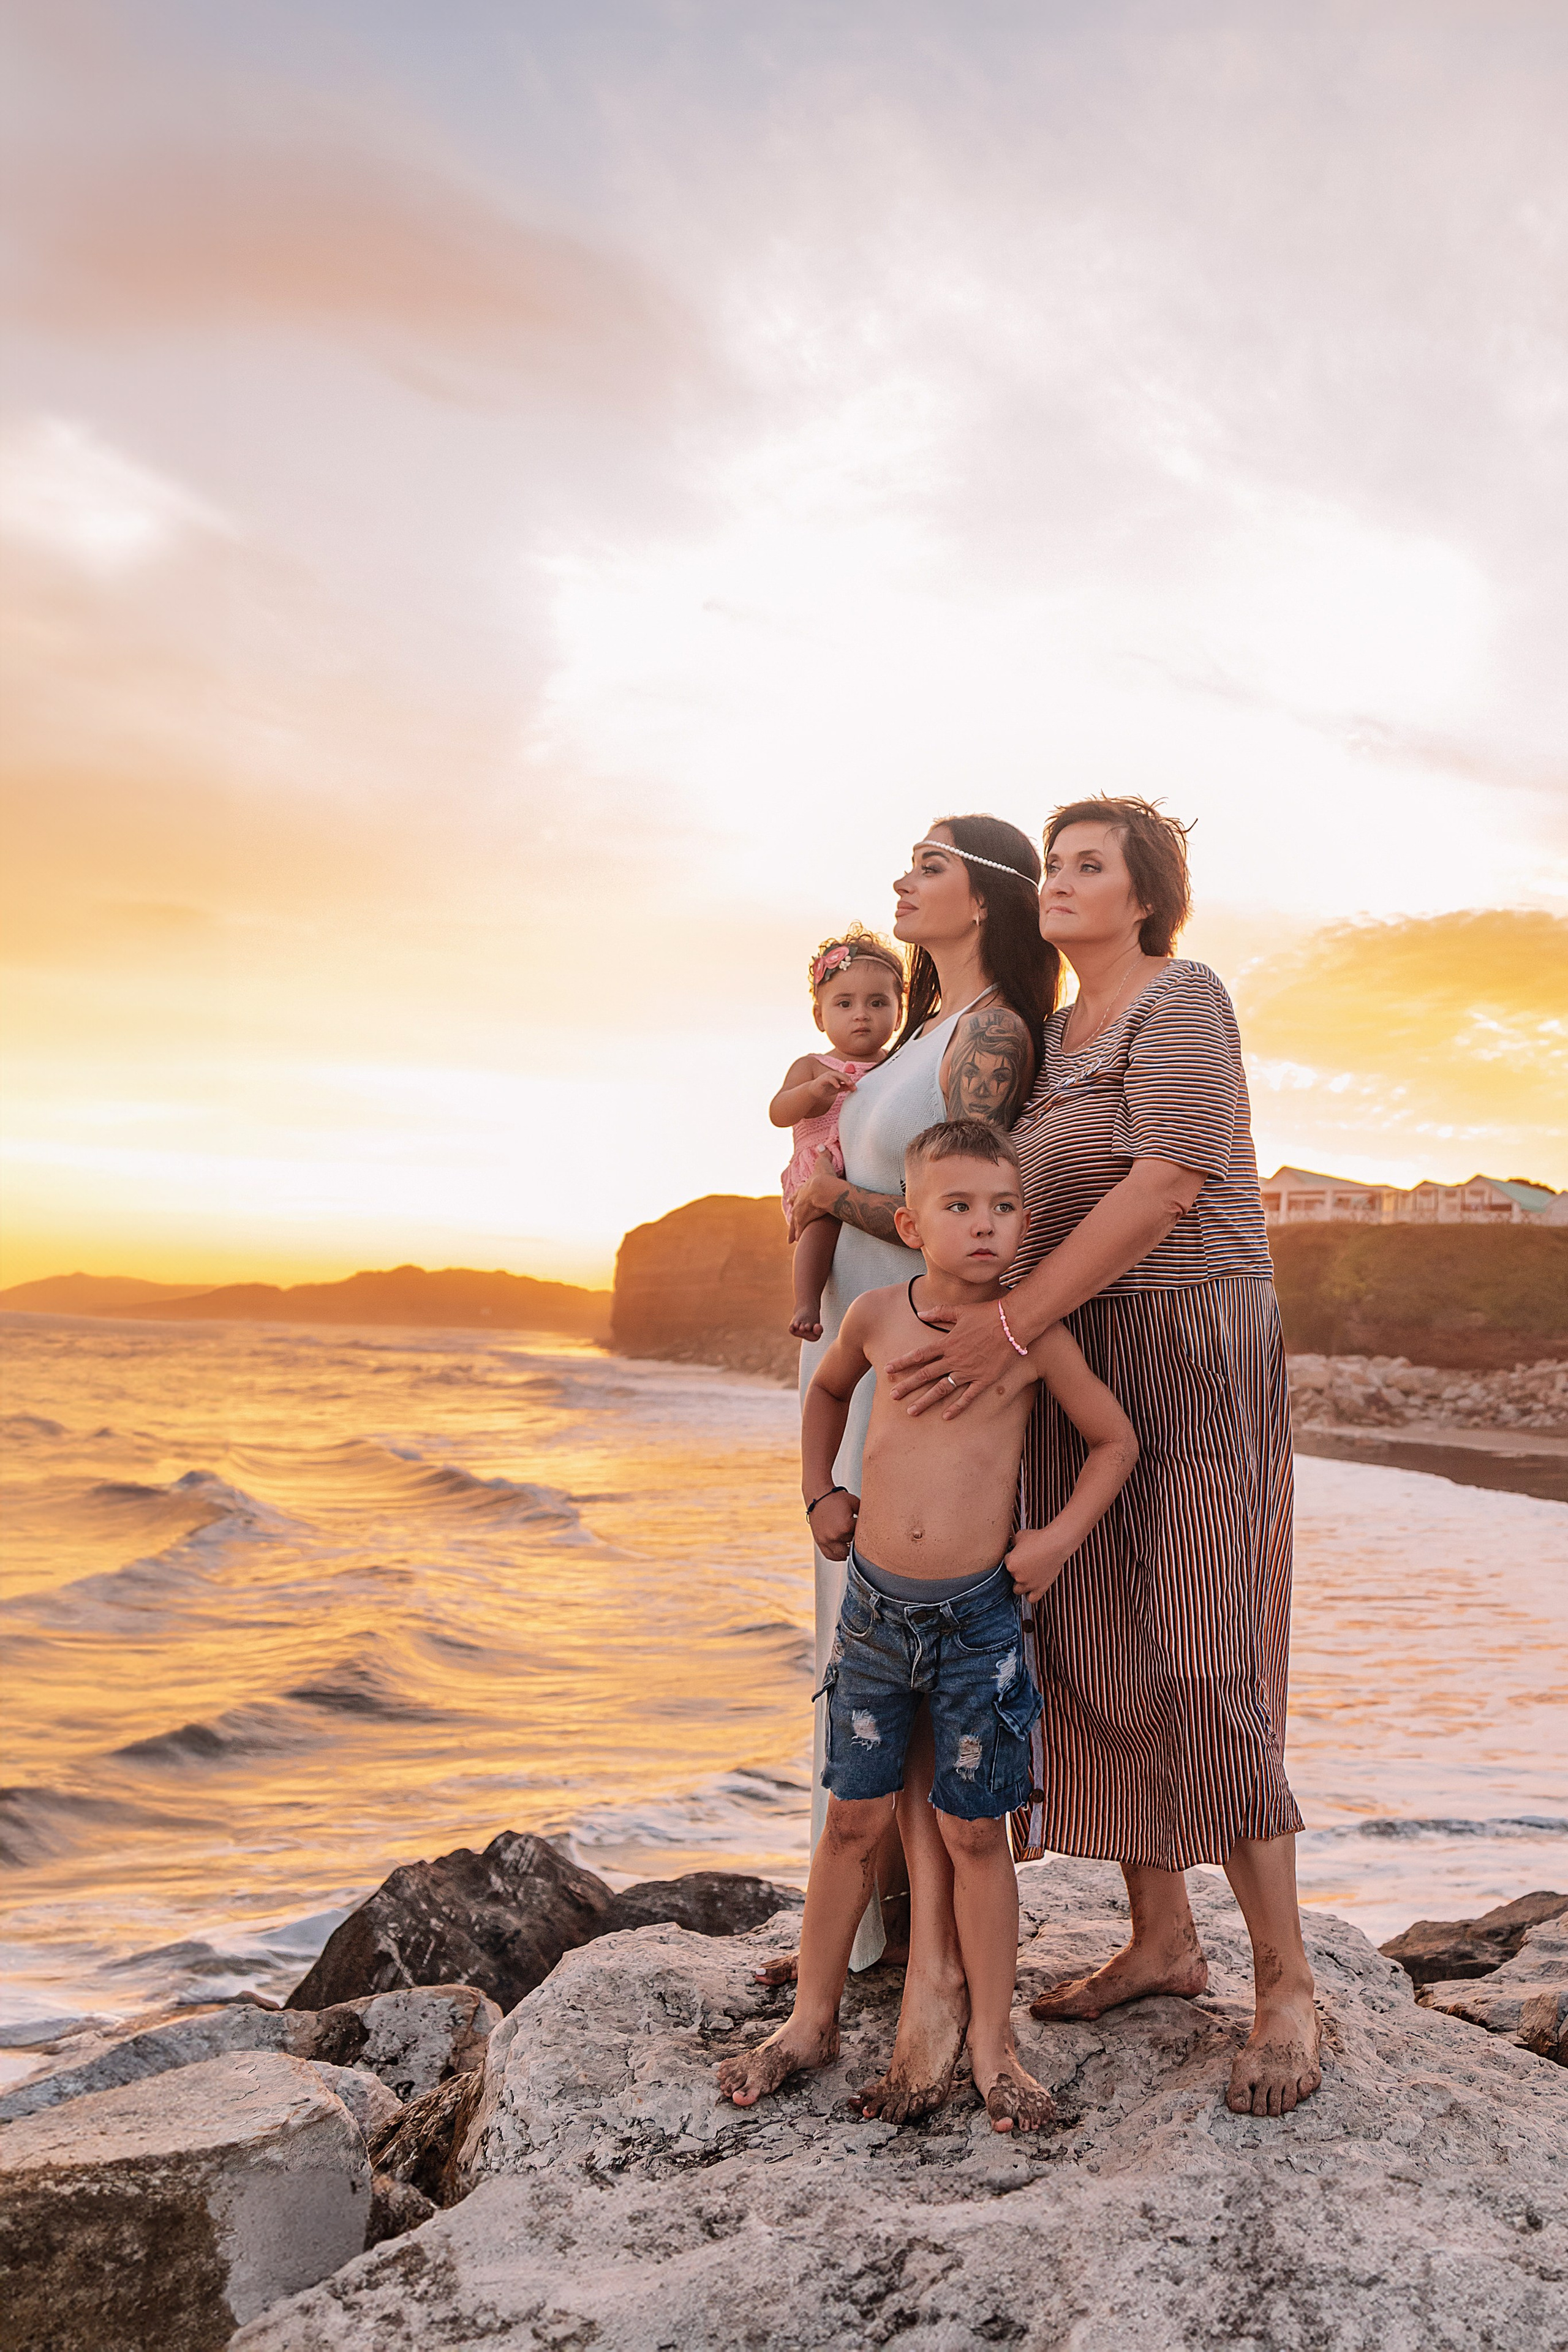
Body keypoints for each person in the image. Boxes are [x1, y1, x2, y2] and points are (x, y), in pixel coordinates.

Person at [884, 794, 1321, 2120]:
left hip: (1184, 1345)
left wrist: (1010, 1324)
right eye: (1055, 864)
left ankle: (1287, 1984)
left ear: (1141, 898)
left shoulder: (1176, 999)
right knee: (1089, 1651)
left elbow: (1163, 1185)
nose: (1063, 882)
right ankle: (1159, 1940)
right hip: (1068, 1361)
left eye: (1089, 866)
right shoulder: (1051, 1038)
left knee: (1202, 1652)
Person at [718, 1120, 1136, 2130]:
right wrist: (819, 1494)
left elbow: (1114, 1441)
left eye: (1002, 1209)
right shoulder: (874, 1315)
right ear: (910, 1222)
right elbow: (823, 1393)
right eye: (959, 1207)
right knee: (853, 1822)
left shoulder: (1032, 1336)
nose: (984, 1226)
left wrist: (1055, 1542)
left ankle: (994, 2046)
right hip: (873, 1617)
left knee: (972, 1835)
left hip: (977, 1627)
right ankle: (810, 2019)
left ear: (1025, 1225)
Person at [782, 815, 1055, 1997]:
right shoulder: (921, 1031)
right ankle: (867, 1936)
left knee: (900, 1645)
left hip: (923, 1371)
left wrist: (831, 1197)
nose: (903, 878)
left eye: (930, 864)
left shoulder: (990, 1031)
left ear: (986, 897)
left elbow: (964, 1208)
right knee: (859, 1647)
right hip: (859, 1348)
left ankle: (918, 1955)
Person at [770, 929, 905, 1342]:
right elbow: (778, 1112)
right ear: (820, 1016)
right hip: (823, 1171)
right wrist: (812, 1092)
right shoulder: (812, 1066)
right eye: (844, 1004)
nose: (860, 1014)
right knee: (823, 1223)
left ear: (899, 1014)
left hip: (873, 1176)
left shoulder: (899, 1064)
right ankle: (807, 1302)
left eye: (877, 1003)